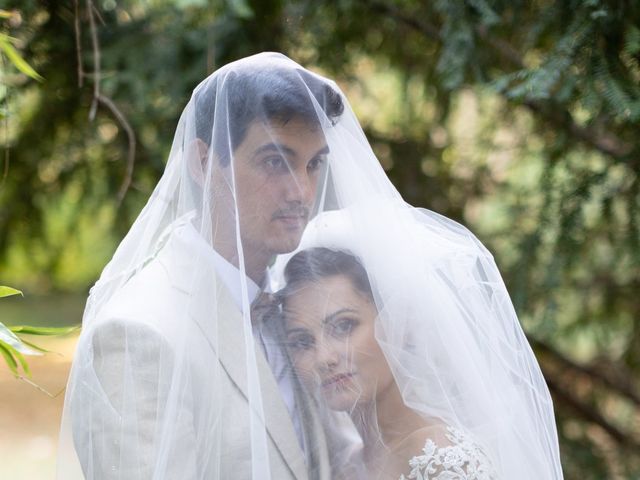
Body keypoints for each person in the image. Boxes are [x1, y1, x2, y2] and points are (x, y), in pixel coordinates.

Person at [57, 52, 353, 480]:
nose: (302, 191)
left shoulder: (300, 310)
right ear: (201, 163)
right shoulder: (136, 335)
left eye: (314, 164)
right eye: (275, 161)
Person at [274, 202, 565, 479]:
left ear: (398, 323)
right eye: (301, 342)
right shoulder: (344, 468)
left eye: (343, 326)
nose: (324, 357)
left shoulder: (446, 461)